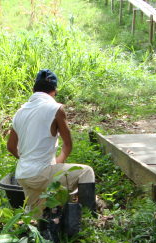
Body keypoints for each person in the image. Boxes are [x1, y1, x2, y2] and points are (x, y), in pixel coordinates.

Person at [6, 69, 96, 216]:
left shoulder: (20, 112)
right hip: (42, 173)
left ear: (33, 89)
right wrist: (56, 164)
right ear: (54, 90)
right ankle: (90, 218)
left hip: (23, 174)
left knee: (37, 217)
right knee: (86, 172)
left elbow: (10, 147)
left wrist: (27, 160)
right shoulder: (56, 108)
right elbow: (68, 144)